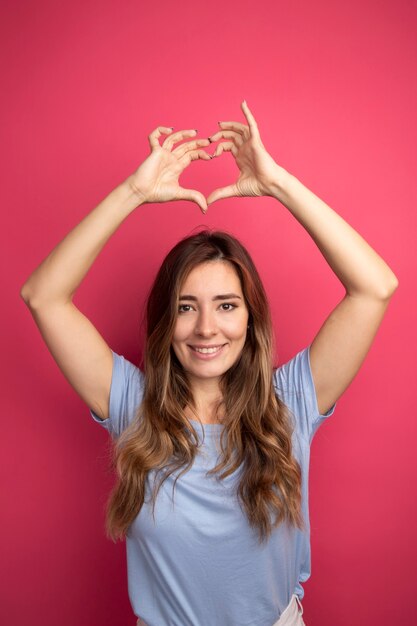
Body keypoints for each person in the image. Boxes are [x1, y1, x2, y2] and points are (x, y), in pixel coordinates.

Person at [20, 101, 398, 626]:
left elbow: (375, 288)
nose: (205, 329)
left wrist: (277, 183)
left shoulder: (289, 402)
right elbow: (44, 296)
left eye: (226, 306)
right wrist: (134, 192)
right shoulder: (133, 404)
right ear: (163, 321)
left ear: (250, 317)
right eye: (185, 307)